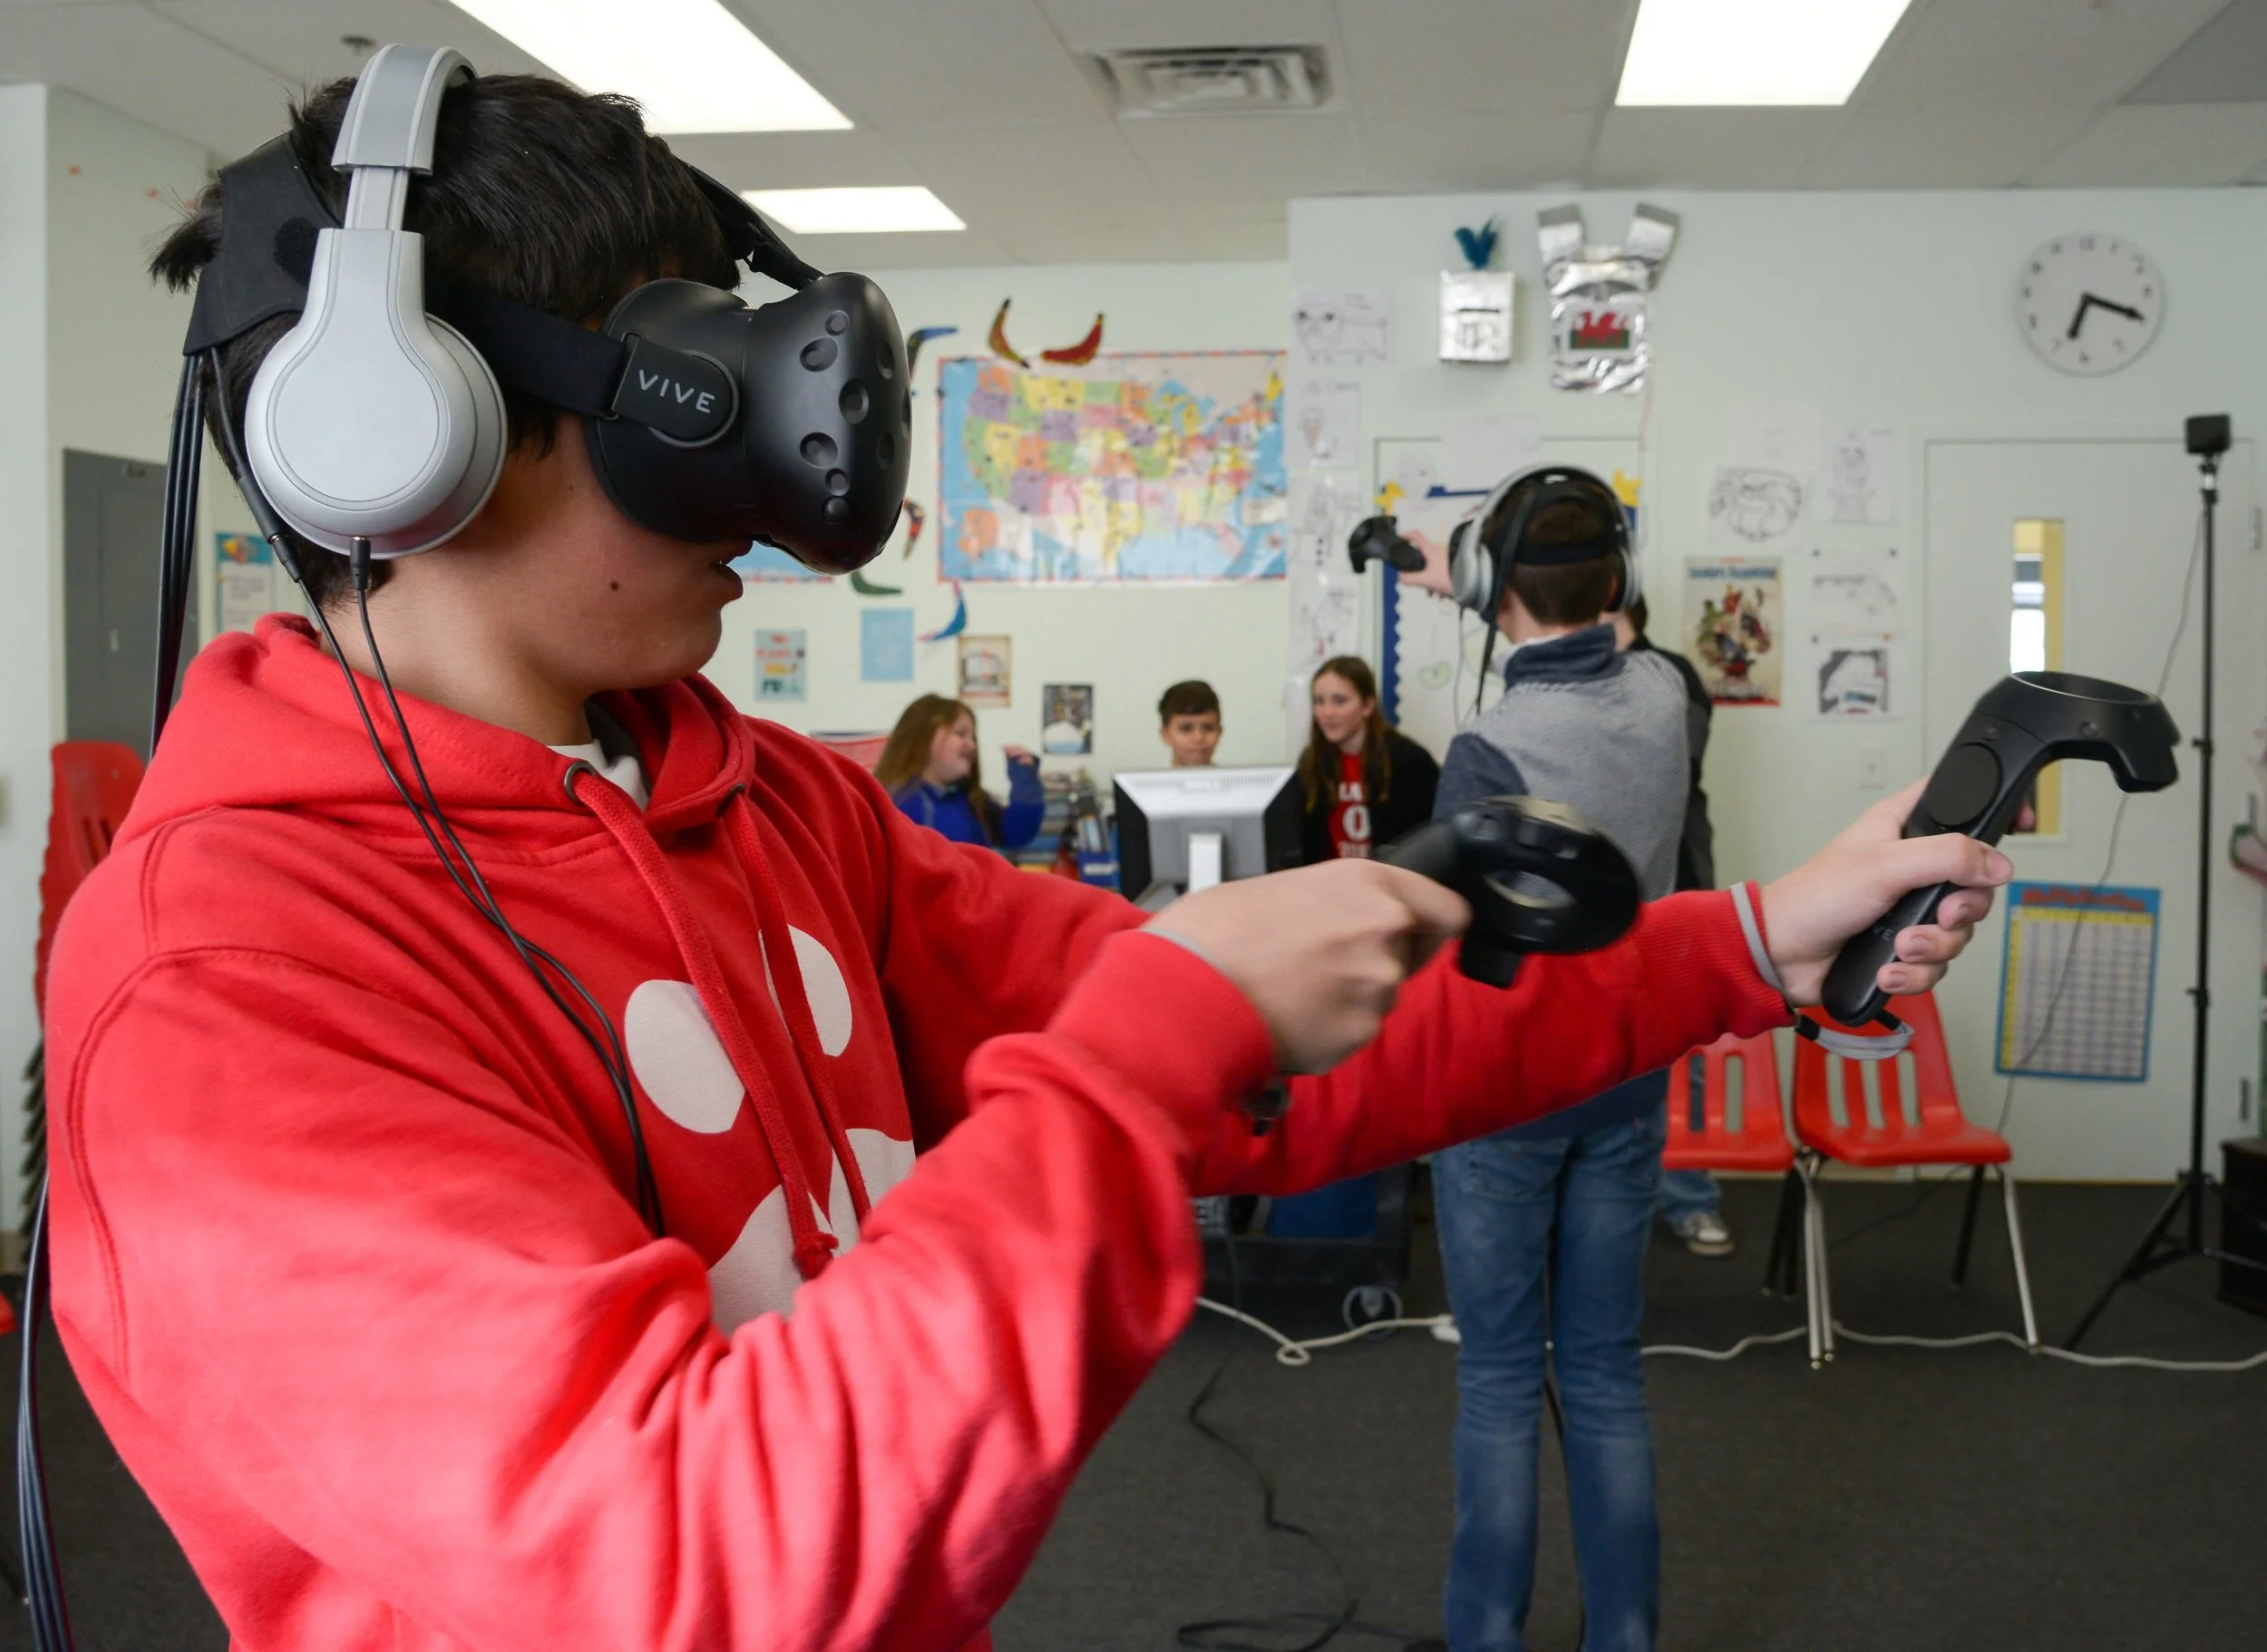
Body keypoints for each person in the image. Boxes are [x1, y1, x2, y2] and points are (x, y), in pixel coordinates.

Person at [42, 64, 2007, 1652]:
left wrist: (1753, 934)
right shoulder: (223, 975)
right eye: (685, 395)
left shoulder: (771, 803)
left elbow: (1277, 1053)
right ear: (403, 434)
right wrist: (1154, 1032)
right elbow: (682, 1569)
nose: (760, 473)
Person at [1418, 471, 1690, 1652]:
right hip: (1630, 1084)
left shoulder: (1487, 747)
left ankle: (1488, 1638)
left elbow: (1447, 948)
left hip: (1503, 1106)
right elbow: (1606, 637)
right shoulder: (1670, 695)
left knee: (1496, 1381)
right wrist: (1491, 586)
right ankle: (1623, 1637)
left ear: (1493, 592)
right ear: (1621, 581)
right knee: (1605, 1377)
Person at [1617, 598, 1735, 1259]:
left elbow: (1665, 765)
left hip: (1676, 891)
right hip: (1600, 904)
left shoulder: (1669, 675)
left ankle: (1689, 1200)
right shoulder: (1578, 679)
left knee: (1682, 1056)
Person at [1299, 654, 1440, 862]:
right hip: (1329, 884)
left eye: (1340, 701)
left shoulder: (1409, 761)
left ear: (1367, 705)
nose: (1326, 712)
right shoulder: (1312, 762)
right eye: (1319, 701)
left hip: (1389, 882)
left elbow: (1429, 842)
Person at [875, 692, 1044, 853]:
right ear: (923, 739)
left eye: (973, 738)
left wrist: (1025, 781)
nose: (972, 745)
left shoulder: (971, 800)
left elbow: (1016, 834)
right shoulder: (898, 804)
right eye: (960, 733)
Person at [1158, 678, 1222, 767]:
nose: (1198, 738)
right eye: (1186, 729)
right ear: (1165, 735)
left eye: (1208, 728)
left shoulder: (1238, 780)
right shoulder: (1146, 781)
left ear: (1220, 733)